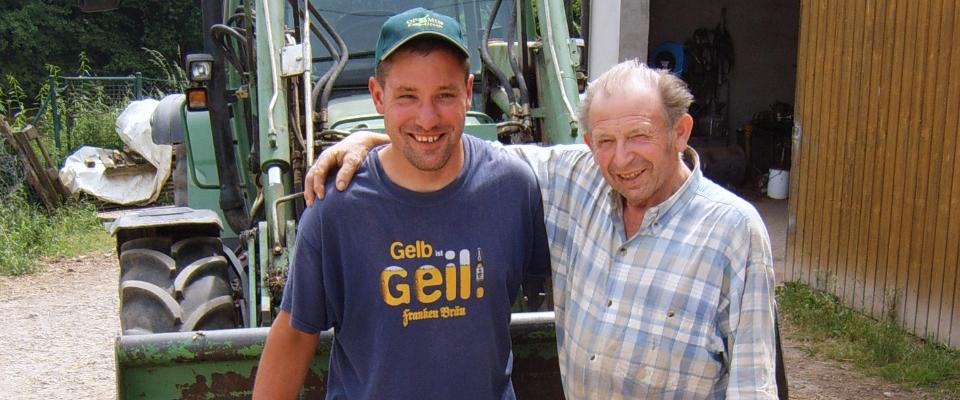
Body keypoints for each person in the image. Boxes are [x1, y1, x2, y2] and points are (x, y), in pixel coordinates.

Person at [304, 59, 781, 398]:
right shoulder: (580, 180)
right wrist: (380, 139)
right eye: (606, 141)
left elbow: (751, 386)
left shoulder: (734, 231)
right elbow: (454, 156)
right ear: (589, 142)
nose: (621, 158)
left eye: (640, 136)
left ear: (680, 132)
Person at [253, 8, 550, 399]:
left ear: (467, 91)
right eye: (407, 96)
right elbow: (294, 336)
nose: (427, 118)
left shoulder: (513, 188)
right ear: (378, 95)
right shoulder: (336, 209)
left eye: (444, 95)